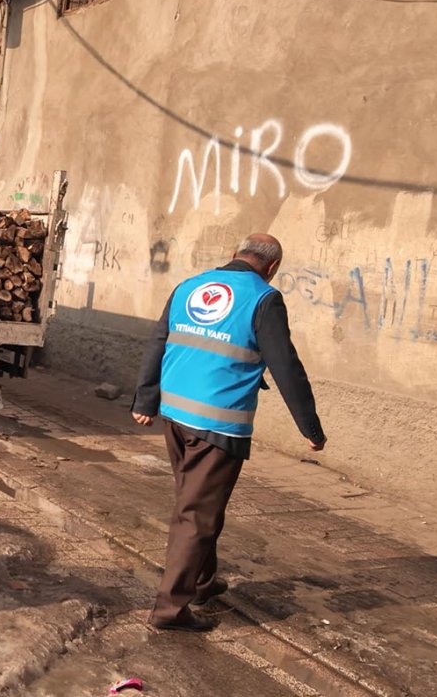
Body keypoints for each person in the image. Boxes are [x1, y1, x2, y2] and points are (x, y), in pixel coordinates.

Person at [131, 233, 327, 633]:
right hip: (218, 426)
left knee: (199, 504)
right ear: (272, 268)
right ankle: (170, 610)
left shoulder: (189, 286)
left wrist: (144, 401)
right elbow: (285, 365)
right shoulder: (263, 298)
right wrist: (310, 427)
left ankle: (203, 582)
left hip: (175, 416)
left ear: (234, 255)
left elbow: (157, 342)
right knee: (195, 516)